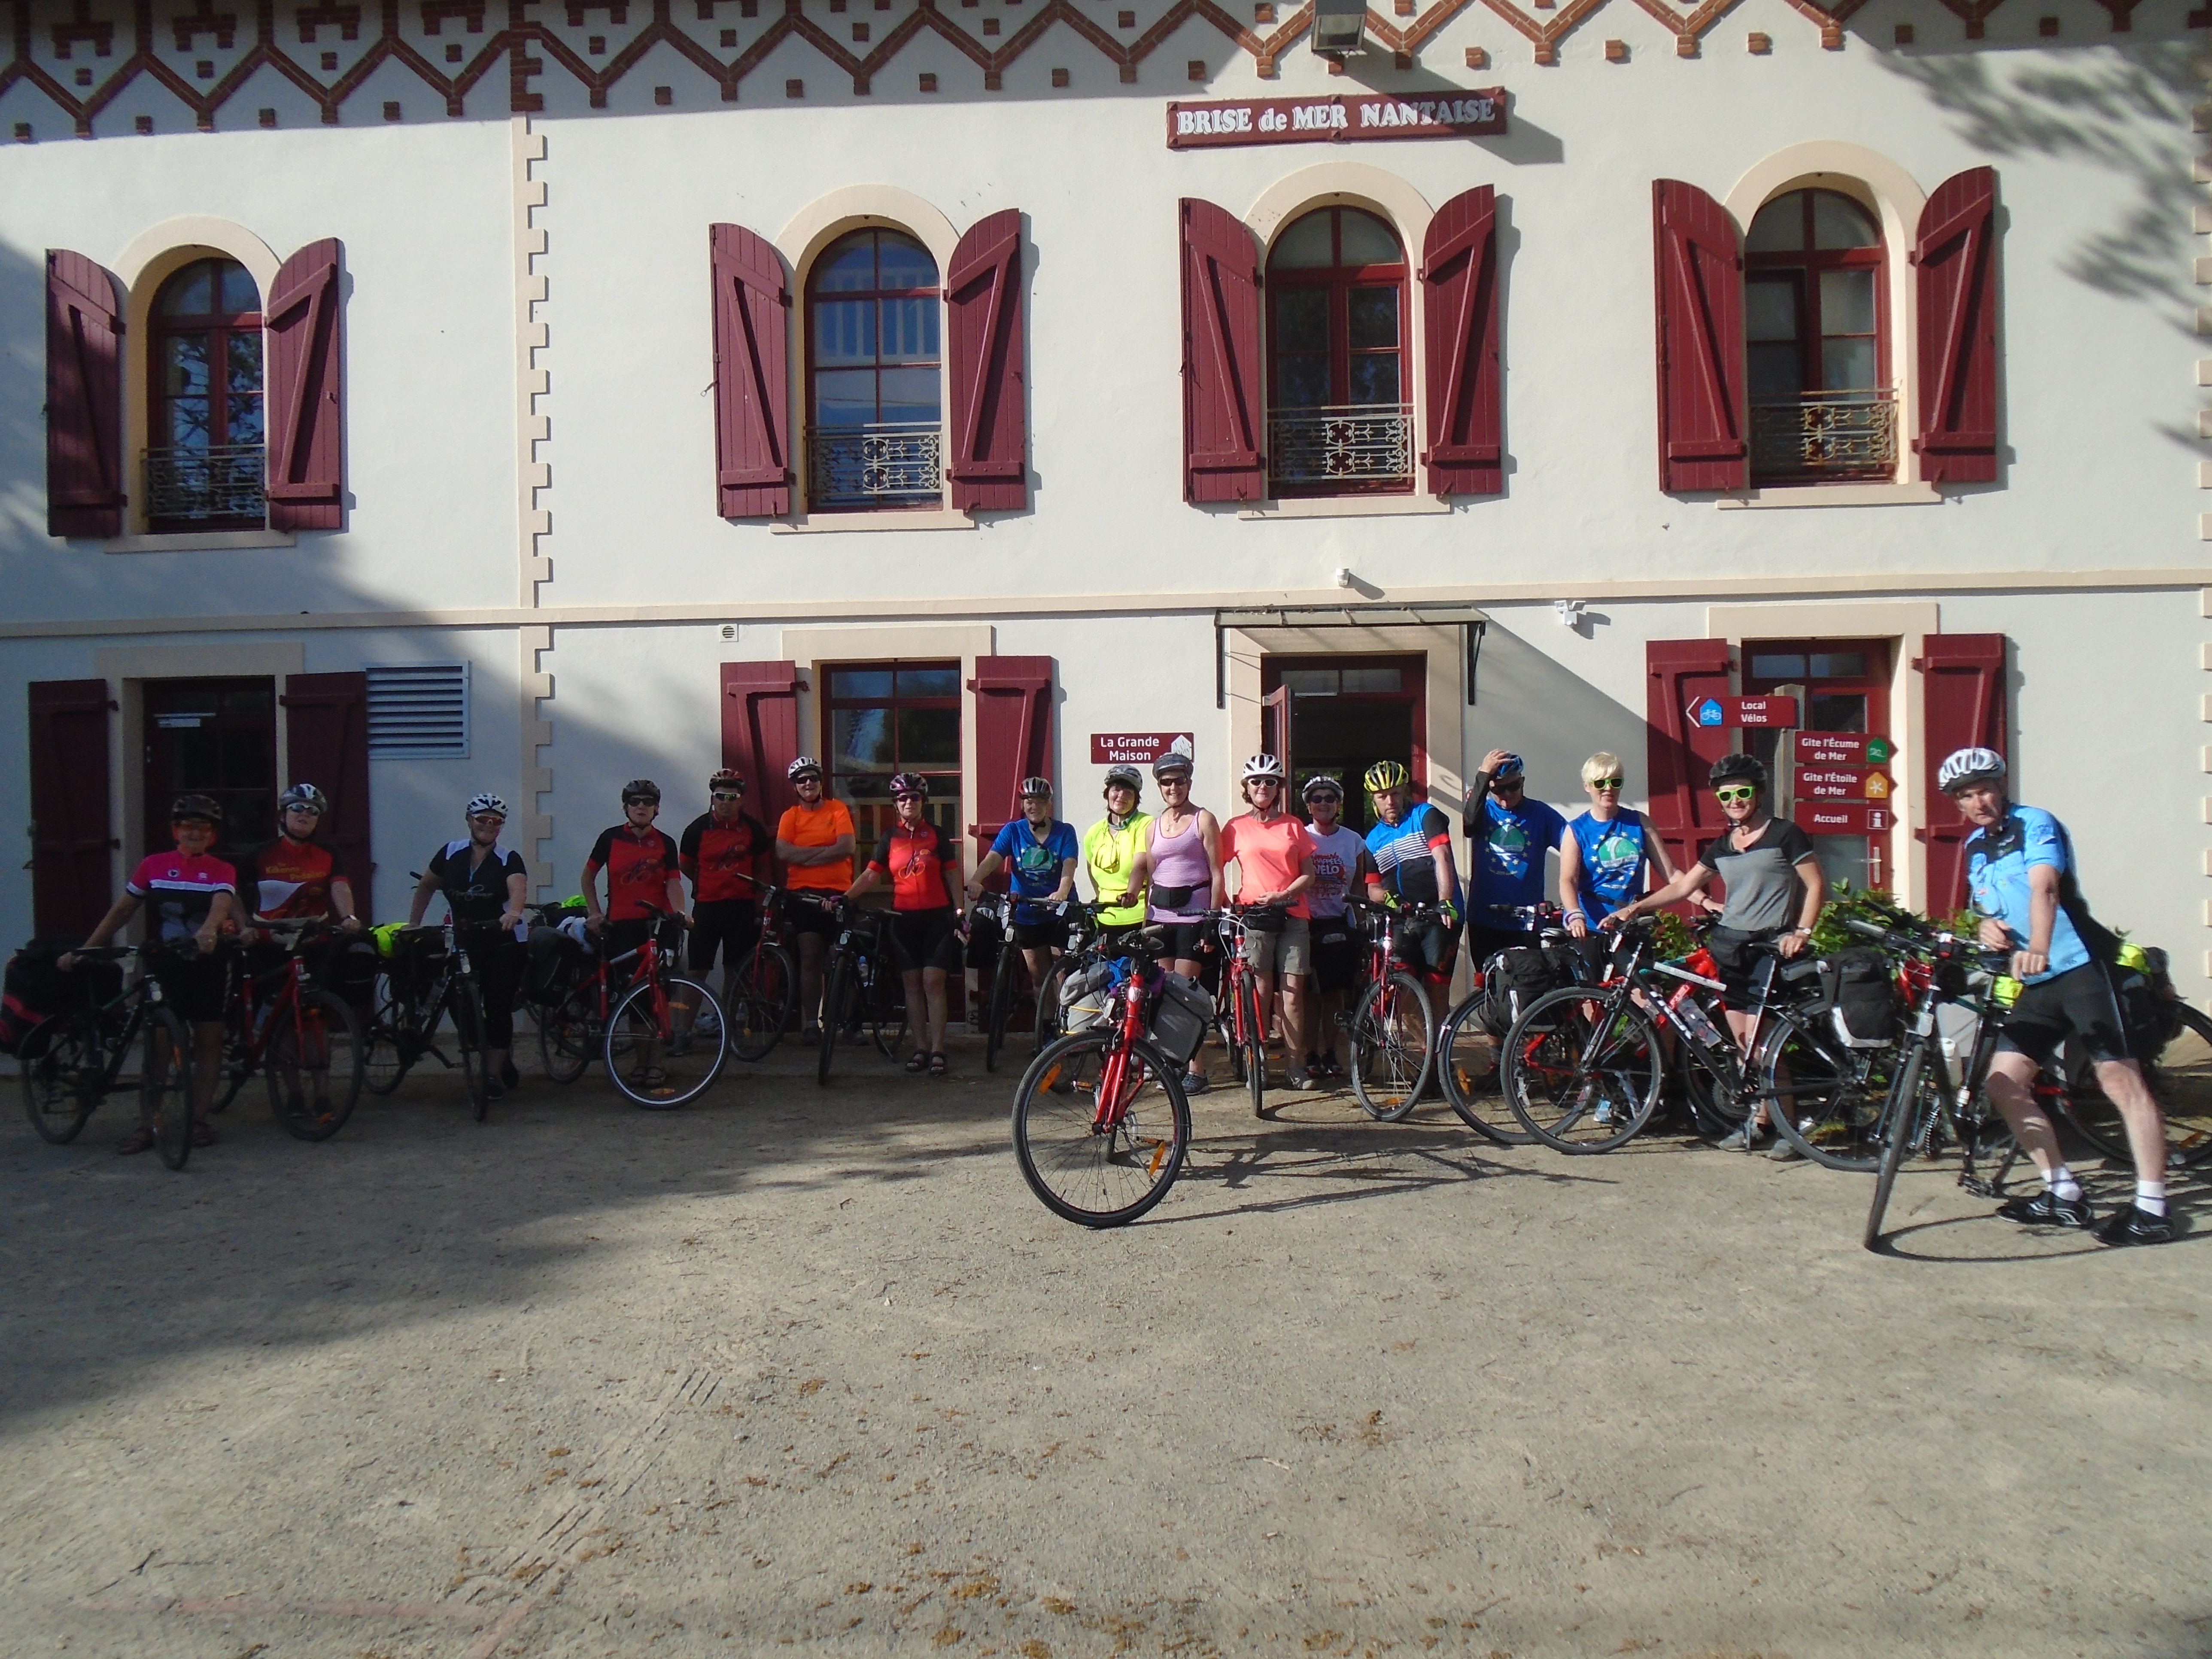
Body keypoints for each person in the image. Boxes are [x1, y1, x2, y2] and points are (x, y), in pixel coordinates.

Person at [1944, 747, 2172, 1245]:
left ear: (2000, 787)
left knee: (2121, 1082)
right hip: (2036, 983)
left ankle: (2153, 1207)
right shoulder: (1975, 848)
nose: (1977, 802)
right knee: (2003, 1084)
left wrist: (2040, 948)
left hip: (2082, 969)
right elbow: (1986, 909)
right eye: (1965, 796)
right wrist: (1986, 927)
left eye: (1983, 789)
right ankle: (2062, 1192)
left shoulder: (2035, 824)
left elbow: (2044, 889)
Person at [1606, 754, 1825, 1156]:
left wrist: (1803, 931)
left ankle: (1789, 1128)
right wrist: (1635, 909)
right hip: (1732, 945)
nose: (1736, 800)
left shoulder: (1785, 834)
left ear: (1757, 794)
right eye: (1727, 795)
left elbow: (1815, 884)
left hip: (1768, 947)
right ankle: (1759, 1123)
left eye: (1743, 793)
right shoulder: (1724, 845)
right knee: (1742, 1042)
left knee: (1762, 1044)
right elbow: (1684, 886)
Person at [64, 793, 237, 1153]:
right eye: (188, 827)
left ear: (212, 836)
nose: (195, 834)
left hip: (208, 963)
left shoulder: (222, 869)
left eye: (203, 829)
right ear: (176, 831)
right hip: (166, 963)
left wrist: (209, 930)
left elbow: (221, 904)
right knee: (160, 1047)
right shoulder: (154, 865)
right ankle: (148, 1124)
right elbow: (123, 910)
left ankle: (200, 1121)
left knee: (209, 1042)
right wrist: (90, 947)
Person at [409, 793, 529, 1099]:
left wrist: (514, 912)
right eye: (482, 820)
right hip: (464, 938)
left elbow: (518, 887)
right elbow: (426, 886)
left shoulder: (508, 858)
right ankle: (495, 1055)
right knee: (461, 1005)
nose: (488, 826)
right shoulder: (451, 853)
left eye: (495, 822)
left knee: (499, 1007)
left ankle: (491, 1075)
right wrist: (414, 923)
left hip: (502, 939)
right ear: (469, 820)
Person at [845, 772, 964, 1076]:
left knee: (933, 983)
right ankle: (920, 1047)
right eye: (902, 798)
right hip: (903, 920)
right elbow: (872, 874)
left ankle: (939, 1049)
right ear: (895, 804)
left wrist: (960, 909)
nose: (908, 802)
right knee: (911, 986)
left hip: (937, 917)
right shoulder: (889, 839)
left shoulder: (936, 834)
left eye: (914, 797)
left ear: (923, 801)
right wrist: (845, 897)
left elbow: (951, 873)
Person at [1218, 753, 1319, 1097]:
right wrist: (1223, 902)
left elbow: (1310, 873)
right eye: (1257, 781)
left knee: (1293, 995)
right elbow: (1215, 867)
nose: (1263, 787)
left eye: (1271, 781)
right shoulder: (1235, 827)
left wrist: (1284, 894)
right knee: (1260, 992)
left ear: (1279, 788)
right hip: (1255, 917)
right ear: (1247, 788)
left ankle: (1295, 1064)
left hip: (1293, 913)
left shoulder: (1294, 826)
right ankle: (1256, 1058)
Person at [1130, 751, 1223, 1094]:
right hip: (1159, 916)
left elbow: (1217, 873)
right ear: (1159, 786)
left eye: (1179, 781)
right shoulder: (1153, 827)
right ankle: (1168, 1065)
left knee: (1185, 995)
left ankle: (1197, 1071)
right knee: (1159, 995)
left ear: (1189, 782)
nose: (1173, 787)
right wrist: (1144, 924)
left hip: (1193, 917)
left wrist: (1212, 920)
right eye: (1166, 782)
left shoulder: (1204, 820)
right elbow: (1152, 879)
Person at [1361, 760, 1464, 1027]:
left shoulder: (1425, 815)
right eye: (1383, 796)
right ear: (1374, 800)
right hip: (1403, 919)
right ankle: (1428, 1055)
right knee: (1401, 990)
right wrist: (1386, 897)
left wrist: (1446, 901)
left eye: (1395, 793)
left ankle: (1436, 1063)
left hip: (1438, 916)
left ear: (1404, 791)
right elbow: (1372, 887)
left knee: (1436, 989)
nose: (1390, 801)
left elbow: (1442, 857)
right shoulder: (1373, 839)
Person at [966, 777, 1079, 997]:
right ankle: (1045, 1028)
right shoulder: (1014, 831)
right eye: (1028, 801)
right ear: (1022, 804)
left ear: (1048, 804)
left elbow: (1070, 864)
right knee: (1039, 977)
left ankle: (1066, 1027)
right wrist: (976, 880)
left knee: (1064, 977)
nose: (1033, 806)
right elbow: (993, 858)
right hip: (1028, 913)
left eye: (1039, 801)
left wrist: (1062, 892)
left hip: (1059, 910)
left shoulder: (1064, 832)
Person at [1462, 750, 1572, 969]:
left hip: (1526, 921)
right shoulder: (1485, 810)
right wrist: (1483, 775)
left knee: (1527, 986)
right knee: (1489, 986)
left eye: (1513, 787)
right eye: (1499, 790)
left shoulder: (1541, 814)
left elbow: (1574, 850)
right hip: (1485, 917)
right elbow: (1469, 826)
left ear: (1523, 782)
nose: (1506, 796)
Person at [776, 756, 857, 1044]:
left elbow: (846, 847)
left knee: (841, 958)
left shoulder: (837, 809)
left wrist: (806, 855)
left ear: (821, 782)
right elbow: (784, 853)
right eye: (802, 780)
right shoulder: (791, 817)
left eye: (812, 778)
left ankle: (847, 1023)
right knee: (810, 958)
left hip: (839, 892)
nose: (808, 783)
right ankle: (812, 1023)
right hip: (803, 894)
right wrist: (827, 852)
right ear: (795, 787)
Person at [678, 768, 774, 1000]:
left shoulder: (753, 829)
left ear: (741, 799)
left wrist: (752, 891)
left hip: (741, 907)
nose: (725, 802)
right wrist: (705, 882)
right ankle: (685, 1032)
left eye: (732, 797)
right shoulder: (697, 829)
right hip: (707, 906)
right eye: (720, 796)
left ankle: (727, 1027)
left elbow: (762, 865)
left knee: (736, 970)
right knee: (697, 970)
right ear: (713, 798)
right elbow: (685, 865)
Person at [1559, 752, 1678, 936]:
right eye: (1600, 783)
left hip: (1629, 923)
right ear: (1587, 786)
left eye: (1615, 782)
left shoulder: (1640, 822)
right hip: (1591, 926)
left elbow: (1672, 875)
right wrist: (1575, 915)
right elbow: (1568, 880)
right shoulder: (1577, 829)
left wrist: (1705, 901)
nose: (1608, 789)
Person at [1301, 774, 1370, 1082]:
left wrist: (1363, 924)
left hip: (1340, 922)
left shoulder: (1354, 841)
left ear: (1339, 804)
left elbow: (1358, 887)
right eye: (1317, 798)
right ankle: (1308, 1054)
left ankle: (1330, 1052)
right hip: (1307, 922)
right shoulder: (1300, 837)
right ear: (1309, 806)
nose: (1324, 803)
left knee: (1333, 994)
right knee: (1308, 995)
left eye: (1330, 798)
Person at [238, 782, 364, 932]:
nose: (305, 814)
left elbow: (340, 886)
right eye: (297, 808)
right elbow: (234, 892)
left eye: (313, 811)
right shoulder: (260, 853)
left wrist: (348, 917)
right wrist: (243, 925)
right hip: (268, 938)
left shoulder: (329, 853)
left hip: (315, 937)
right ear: (283, 816)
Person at [582, 779, 687, 957]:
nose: (641, 807)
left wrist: (680, 913)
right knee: (627, 982)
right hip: (621, 924)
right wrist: (595, 912)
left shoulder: (666, 842)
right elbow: (588, 877)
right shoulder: (610, 838)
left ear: (657, 809)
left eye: (648, 802)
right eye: (634, 801)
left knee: (662, 981)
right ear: (626, 808)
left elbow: (673, 882)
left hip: (659, 923)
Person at [1081, 766, 1152, 939]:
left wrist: (1131, 895)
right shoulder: (1095, 831)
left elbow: (1141, 867)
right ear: (1107, 794)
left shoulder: (1145, 823)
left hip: (1137, 916)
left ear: (1136, 799)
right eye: (1116, 789)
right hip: (1104, 918)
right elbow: (1091, 868)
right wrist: (1101, 898)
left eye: (1128, 792)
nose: (1121, 796)